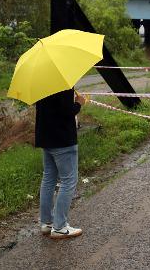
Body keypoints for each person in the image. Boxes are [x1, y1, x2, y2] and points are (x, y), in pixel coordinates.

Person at [35, 88, 87, 240]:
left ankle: (47, 223)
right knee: (68, 180)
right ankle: (59, 227)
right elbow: (66, 111)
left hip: (46, 137)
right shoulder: (62, 83)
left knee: (49, 179)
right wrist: (78, 103)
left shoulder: (42, 81)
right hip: (62, 139)